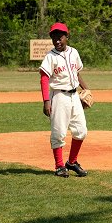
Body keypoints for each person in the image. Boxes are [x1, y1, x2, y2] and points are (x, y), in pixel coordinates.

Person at [39, 22, 90, 178]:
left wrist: (86, 89)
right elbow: (44, 78)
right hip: (59, 96)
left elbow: (77, 73)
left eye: (60, 37)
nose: (57, 41)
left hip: (74, 96)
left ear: (67, 37)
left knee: (81, 130)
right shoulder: (50, 56)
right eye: (54, 38)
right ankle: (59, 166)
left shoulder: (74, 52)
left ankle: (72, 162)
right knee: (59, 132)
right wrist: (46, 101)